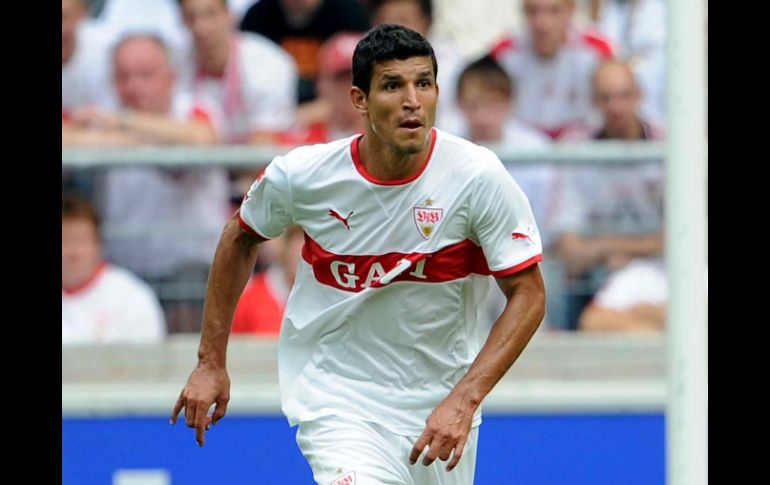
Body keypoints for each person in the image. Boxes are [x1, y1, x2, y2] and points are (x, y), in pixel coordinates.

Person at [171, 25, 546, 484]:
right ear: (359, 100)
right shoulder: (305, 175)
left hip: (439, 405)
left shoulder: (477, 177)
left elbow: (528, 293)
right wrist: (211, 361)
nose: (412, 99)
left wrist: (464, 400)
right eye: (393, 85)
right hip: (339, 399)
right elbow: (240, 237)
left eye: (423, 83)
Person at [62, 193, 166, 345]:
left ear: (98, 245)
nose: (73, 252)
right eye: (65, 240)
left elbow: (147, 359)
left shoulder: (132, 296)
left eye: (81, 240)